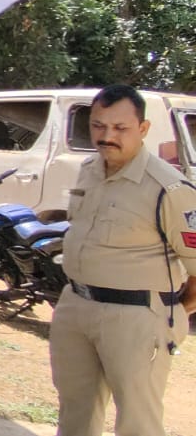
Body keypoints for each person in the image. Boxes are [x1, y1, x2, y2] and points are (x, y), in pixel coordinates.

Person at [50, 84, 196, 436]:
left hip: (136, 317)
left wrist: (170, 312)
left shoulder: (168, 188)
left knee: (137, 422)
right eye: (98, 125)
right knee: (75, 415)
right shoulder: (89, 169)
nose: (107, 136)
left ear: (143, 129)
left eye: (120, 128)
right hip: (77, 306)